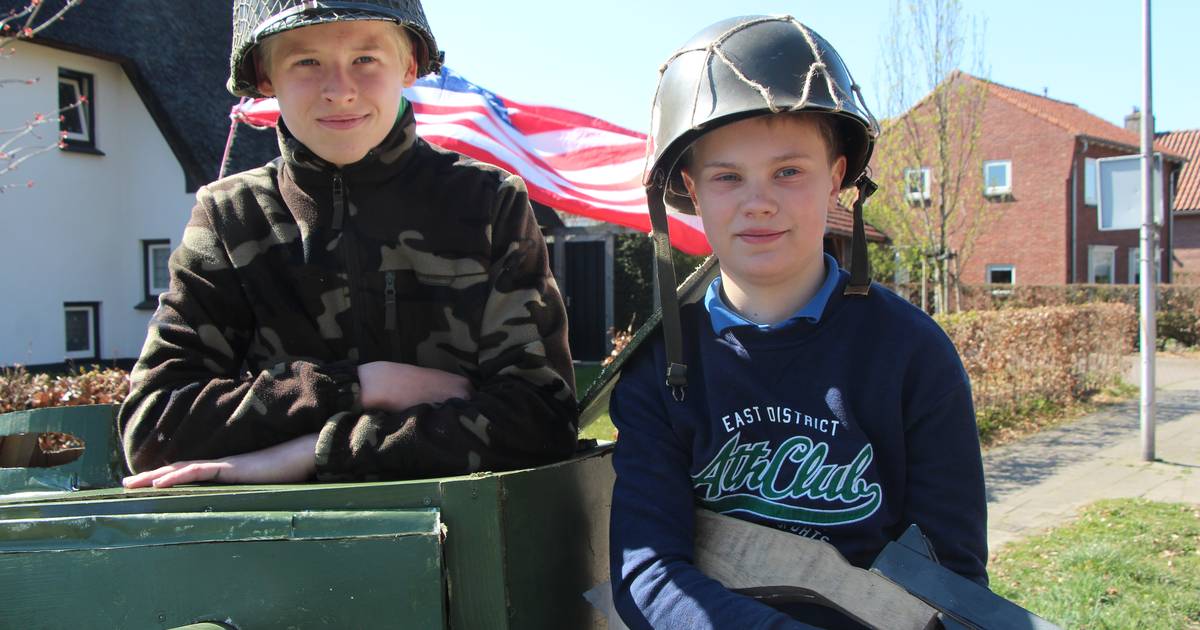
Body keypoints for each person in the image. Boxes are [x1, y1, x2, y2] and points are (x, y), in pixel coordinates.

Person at [608, 15, 987, 629]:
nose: (759, 201)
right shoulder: (661, 367)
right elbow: (647, 574)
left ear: (837, 180)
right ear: (691, 190)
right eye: (727, 176)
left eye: (789, 171)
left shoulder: (914, 353)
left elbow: (954, 580)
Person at [119, 0, 577, 489]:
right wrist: (357, 386)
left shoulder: (486, 205)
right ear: (264, 74)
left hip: (468, 539)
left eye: (366, 59)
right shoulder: (231, 218)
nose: (340, 91)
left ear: (409, 66)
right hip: (275, 548)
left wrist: (317, 452)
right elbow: (153, 428)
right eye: (306, 62)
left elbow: (541, 417)